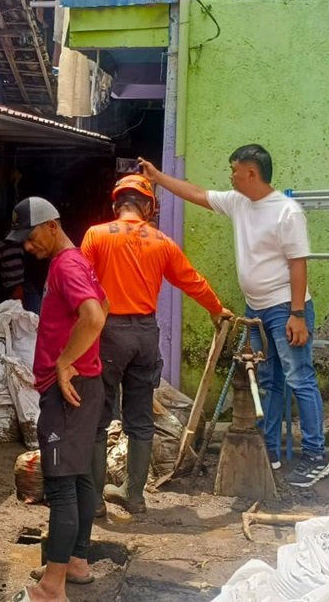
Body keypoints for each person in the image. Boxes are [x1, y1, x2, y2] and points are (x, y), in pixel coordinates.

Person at [140, 146, 329, 487]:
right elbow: (197, 193)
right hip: (256, 309)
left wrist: (298, 314)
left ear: (252, 173)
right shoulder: (239, 202)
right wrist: (157, 177)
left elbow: (299, 264)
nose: (230, 175)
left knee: (299, 377)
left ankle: (317, 457)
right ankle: (268, 450)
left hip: (286, 308)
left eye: (234, 170)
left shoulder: (287, 211)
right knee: (268, 381)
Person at [81, 174, 231, 516]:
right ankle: (134, 495)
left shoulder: (96, 235)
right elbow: (191, 280)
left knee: (97, 417)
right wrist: (216, 309)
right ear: (148, 206)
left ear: (117, 204)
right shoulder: (162, 241)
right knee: (140, 418)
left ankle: (93, 502)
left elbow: (80, 285)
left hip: (108, 333)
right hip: (145, 335)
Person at [6, 198, 109, 602]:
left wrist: (66, 361)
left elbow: (95, 316)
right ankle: (77, 562)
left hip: (67, 391)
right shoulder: (74, 261)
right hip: (83, 386)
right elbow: (104, 305)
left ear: (51, 226)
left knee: (62, 485)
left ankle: (52, 587)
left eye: (30, 238)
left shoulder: (67, 265)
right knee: (79, 476)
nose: (27, 248)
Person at [0, 236, 26, 303]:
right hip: (8, 284)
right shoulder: (0, 246)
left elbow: (23, 260)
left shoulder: (18, 244)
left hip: (20, 281)